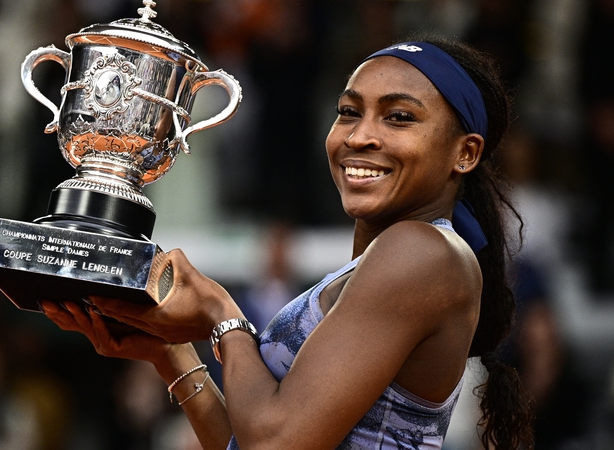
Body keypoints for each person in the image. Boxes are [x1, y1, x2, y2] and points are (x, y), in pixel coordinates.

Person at [40, 36, 533, 449]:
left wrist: (219, 311)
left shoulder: (421, 253)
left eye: (399, 117)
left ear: (464, 154)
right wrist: (171, 353)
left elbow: (274, 444)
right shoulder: (397, 260)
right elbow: (252, 439)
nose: (360, 136)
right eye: (348, 111)